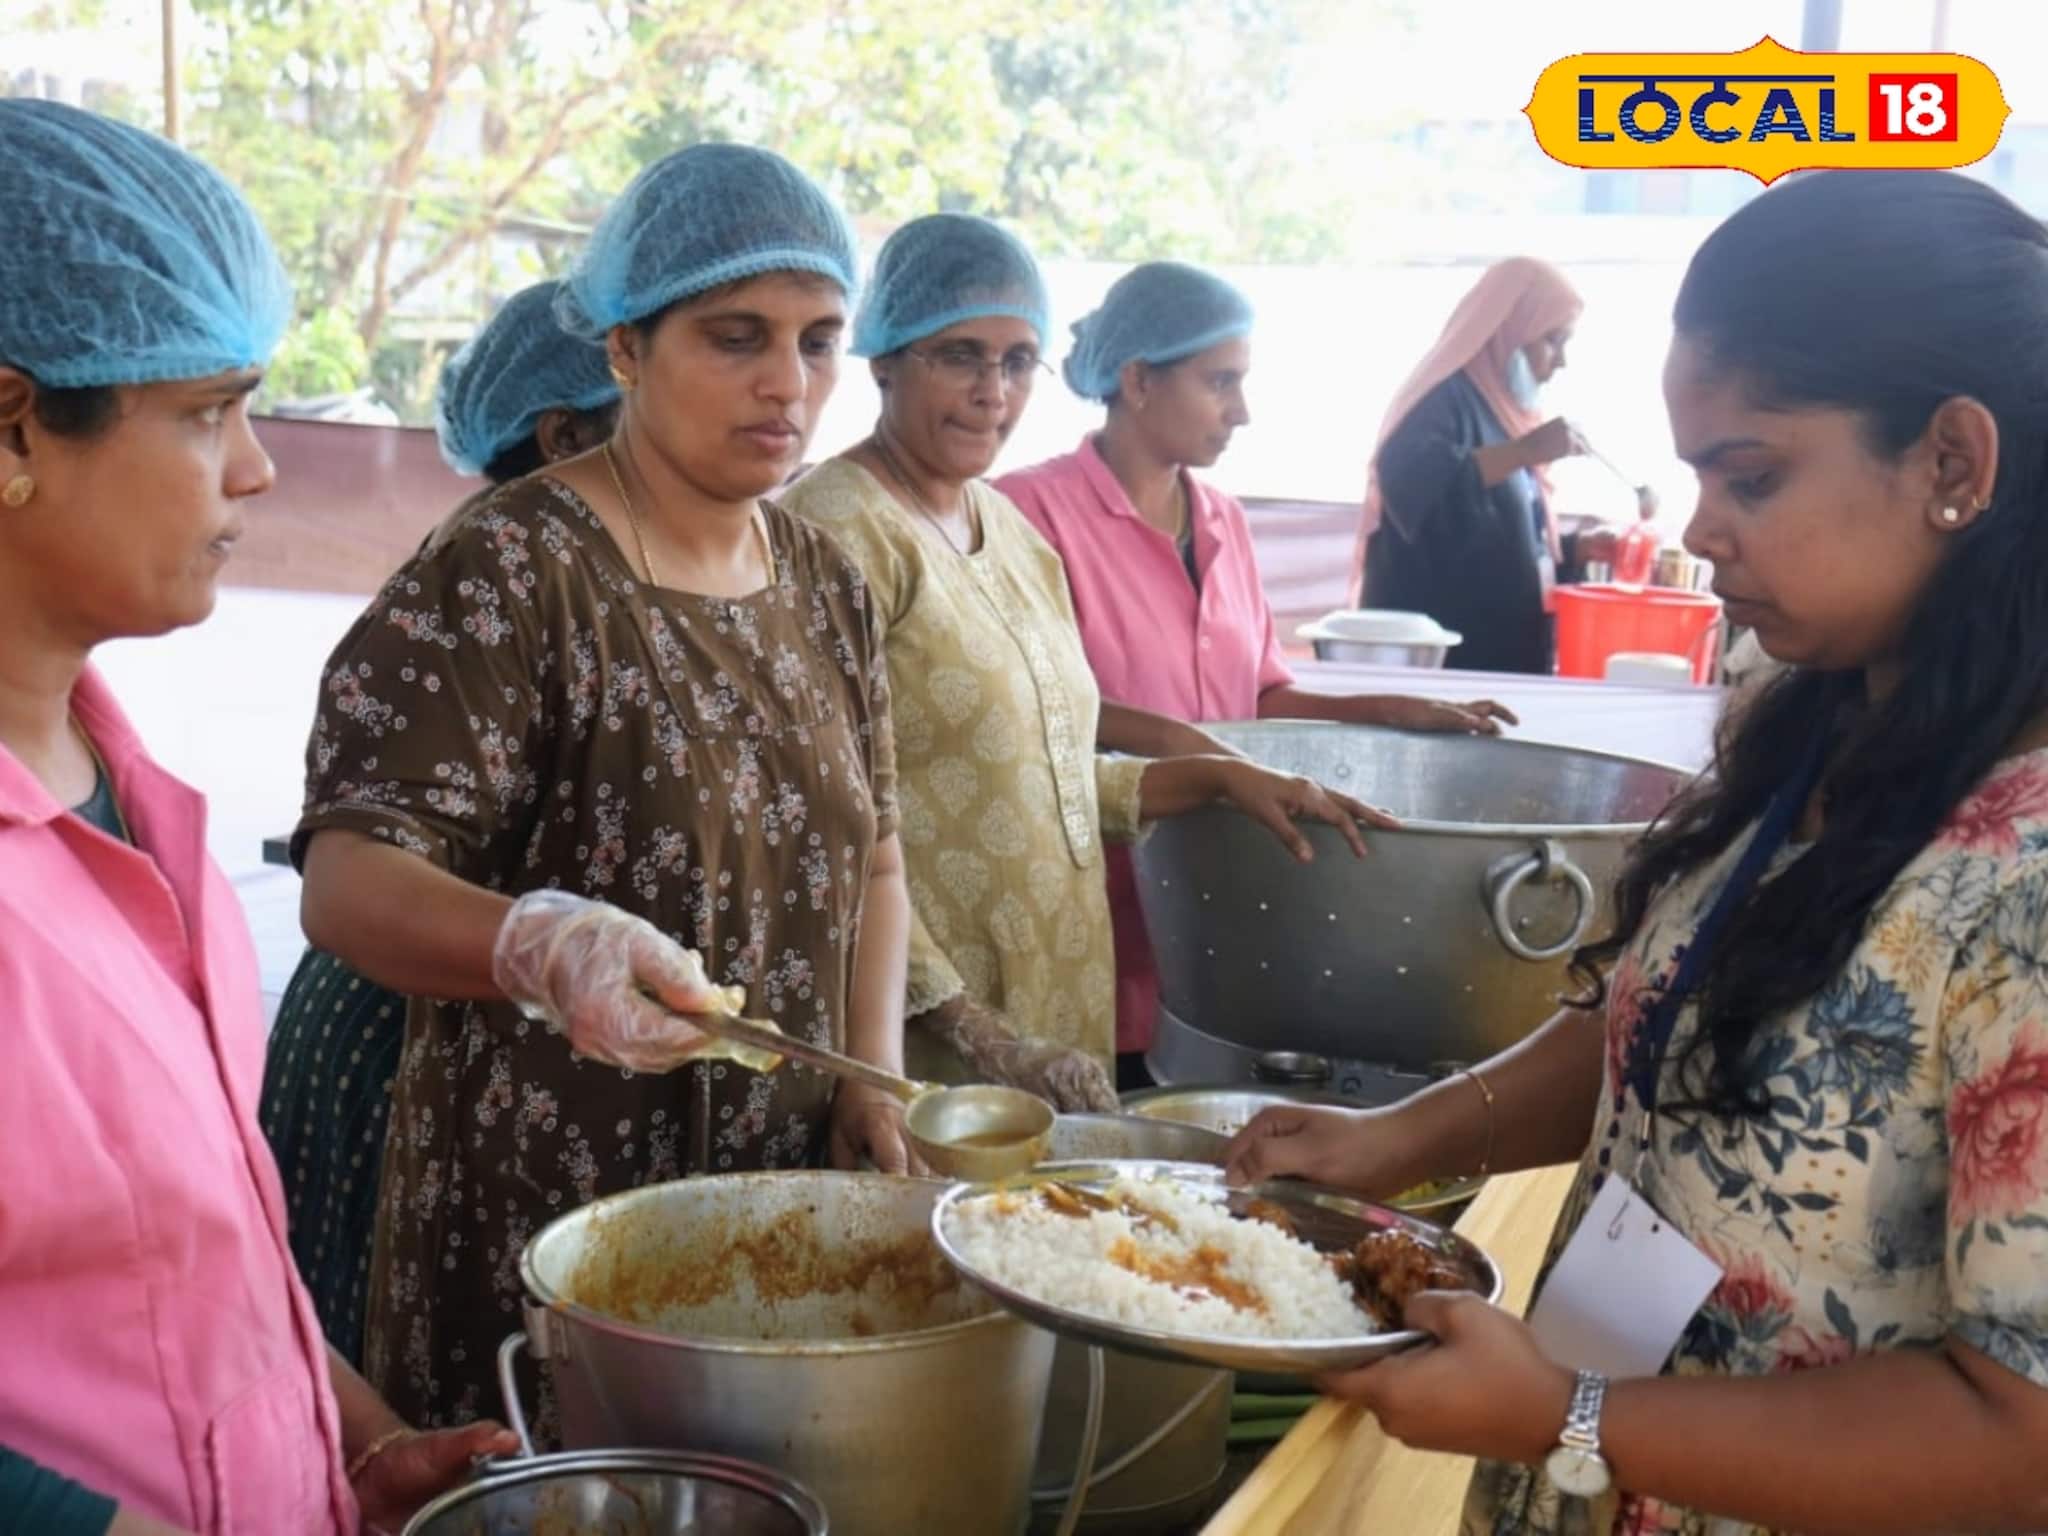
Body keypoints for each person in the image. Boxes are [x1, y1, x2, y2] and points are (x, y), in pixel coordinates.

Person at [1229, 170, 2048, 1535]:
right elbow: (1670, 1016)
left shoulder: (2023, 879)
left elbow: (2021, 1435)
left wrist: (1574, 1416)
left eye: (1752, 473)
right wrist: (1398, 1139)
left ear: (1954, 464)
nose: (1699, 529)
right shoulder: (1826, 715)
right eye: (1696, 472)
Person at [292, 143, 911, 1431]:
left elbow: (879, 860)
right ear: (624, 349)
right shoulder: (511, 566)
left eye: (817, 341)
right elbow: (349, 884)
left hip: (776, 1187)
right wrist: (540, 946)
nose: (785, 384)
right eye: (734, 337)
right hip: (545, 1210)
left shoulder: (825, 582)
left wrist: (863, 1074)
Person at [0, 99, 512, 1536]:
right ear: (13, 423)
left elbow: (188, 1256)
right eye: (206, 413)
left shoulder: (131, 793)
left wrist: (343, 1432)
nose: (255, 467)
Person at [783, 214, 1390, 1109]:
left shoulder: (1013, 535)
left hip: (1059, 1015)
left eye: (1018, 361)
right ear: (884, 359)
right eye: (960, 356)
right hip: (922, 1049)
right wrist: (979, 1035)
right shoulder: (834, 528)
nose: (994, 391)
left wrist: (1221, 780)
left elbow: (1057, 781)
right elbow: (817, 831)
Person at [1000, 260, 1517, 1070]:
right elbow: (1030, 704)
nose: (1242, 411)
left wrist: (1390, 714)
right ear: (1137, 381)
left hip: (1222, 902)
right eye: (1220, 382)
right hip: (1093, 898)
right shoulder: (1028, 512)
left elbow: (1261, 695)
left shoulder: (1221, 520)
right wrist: (1193, 751)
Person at [259, 278, 621, 1367]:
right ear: (564, 432)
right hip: (396, 1028)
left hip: (474, 1014)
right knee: (366, 1339)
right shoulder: (491, 572)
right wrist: (549, 944)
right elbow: (366, 866)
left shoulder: (633, 566)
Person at [1354, 257, 1637, 675]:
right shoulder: (1436, 402)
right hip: (1442, 667)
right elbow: (1418, 498)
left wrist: (1575, 550)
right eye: (1551, 341)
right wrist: (1522, 452)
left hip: (1497, 652)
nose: (1560, 362)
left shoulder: (1501, 413)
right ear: (1507, 331)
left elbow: (1490, 539)